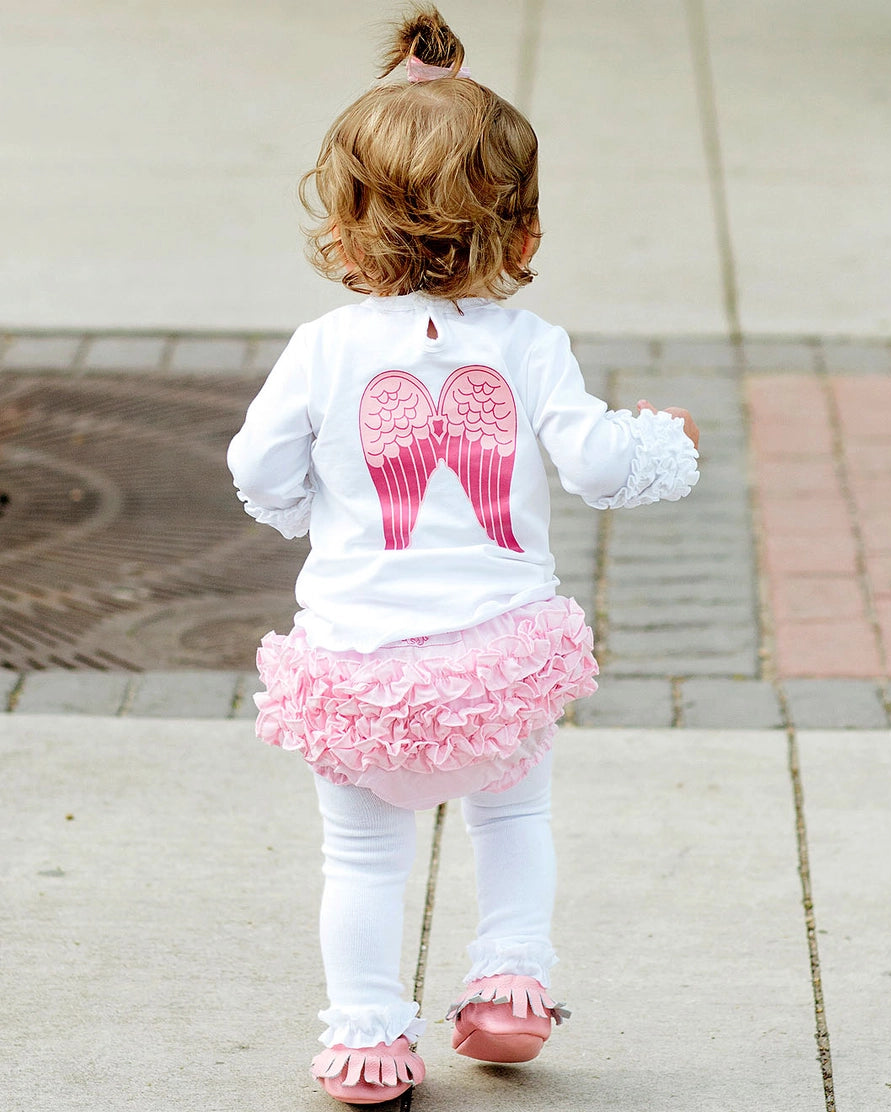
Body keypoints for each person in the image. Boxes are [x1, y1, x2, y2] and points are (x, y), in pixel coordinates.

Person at [227, 6, 700, 1104]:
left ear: (342, 233)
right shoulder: (532, 347)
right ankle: (507, 989)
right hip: (496, 670)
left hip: (361, 676)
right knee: (512, 817)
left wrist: (308, 511)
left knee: (362, 862)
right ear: (522, 235)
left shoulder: (322, 348)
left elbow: (256, 466)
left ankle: (366, 1041)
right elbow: (593, 466)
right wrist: (657, 441)